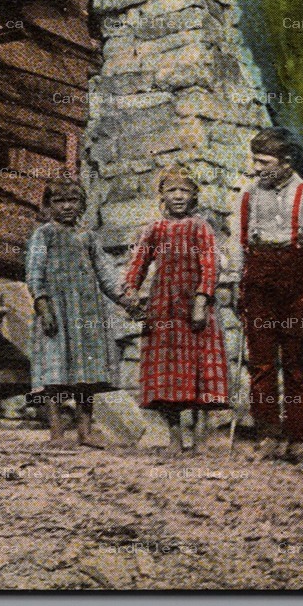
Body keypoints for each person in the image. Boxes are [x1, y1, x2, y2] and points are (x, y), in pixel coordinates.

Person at [228, 127, 303, 464]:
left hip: (296, 279)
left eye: (264, 162)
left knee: (295, 363)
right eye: (255, 161)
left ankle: (296, 438)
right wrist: (235, 284)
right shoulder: (248, 195)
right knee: (261, 363)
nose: (257, 168)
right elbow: (238, 244)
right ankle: (268, 435)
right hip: (258, 279)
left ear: (286, 161)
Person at [122, 167, 229, 454]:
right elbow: (139, 263)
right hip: (163, 308)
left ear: (194, 195)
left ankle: (199, 437)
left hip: (195, 306)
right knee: (167, 373)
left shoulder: (200, 227)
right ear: (162, 196)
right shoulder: (154, 230)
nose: (178, 196)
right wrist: (130, 291)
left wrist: (201, 301)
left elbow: (210, 264)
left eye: (184, 191)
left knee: (198, 370)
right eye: (172, 191)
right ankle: (175, 438)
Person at [25, 180, 126, 448]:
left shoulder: (88, 237)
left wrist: (125, 298)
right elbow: (34, 274)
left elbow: (105, 274)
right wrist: (43, 305)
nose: (67, 206)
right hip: (56, 312)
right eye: (59, 201)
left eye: (73, 201)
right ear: (48, 206)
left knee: (86, 376)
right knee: (54, 375)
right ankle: (57, 432)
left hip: (87, 313)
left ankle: (85, 430)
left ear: (82, 204)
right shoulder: (44, 234)